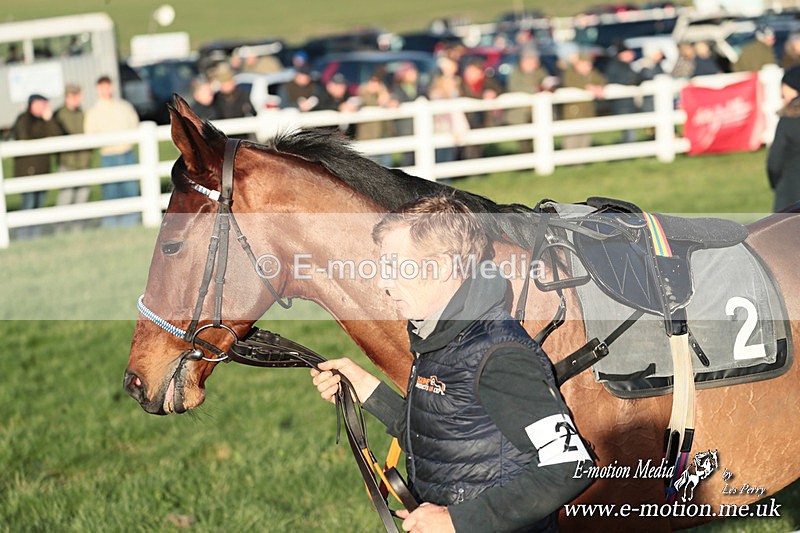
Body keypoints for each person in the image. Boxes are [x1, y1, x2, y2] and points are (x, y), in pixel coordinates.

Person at [310, 195, 594, 533]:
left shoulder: (500, 355)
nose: (383, 284)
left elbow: (572, 465)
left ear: (442, 267)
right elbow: (443, 428)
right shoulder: (440, 334)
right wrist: (365, 388)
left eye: (396, 267)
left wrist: (456, 521)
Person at [84, 75, 141, 227]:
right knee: (111, 191)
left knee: (130, 188)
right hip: (109, 155)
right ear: (98, 89)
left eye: (107, 86)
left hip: (126, 152)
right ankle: (111, 224)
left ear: (112, 87)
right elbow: (90, 134)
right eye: (102, 87)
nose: (105, 90)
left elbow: (134, 125)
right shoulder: (94, 112)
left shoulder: (124, 107)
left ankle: (132, 221)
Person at [10, 93, 63, 237]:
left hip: (43, 169)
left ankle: (36, 236)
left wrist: (49, 119)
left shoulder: (46, 120)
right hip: (27, 171)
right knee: (29, 203)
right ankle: (23, 235)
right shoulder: (24, 119)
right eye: (41, 103)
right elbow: (24, 137)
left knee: (39, 204)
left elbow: (58, 136)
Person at [54, 84, 93, 231]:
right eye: (76, 96)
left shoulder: (81, 113)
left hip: (82, 161)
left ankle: (78, 229)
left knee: (82, 195)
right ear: (69, 96)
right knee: (66, 196)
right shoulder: (59, 115)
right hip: (67, 162)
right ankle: (60, 228)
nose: (79, 99)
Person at [767, 65, 800, 212]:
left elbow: (774, 163)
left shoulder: (788, 121)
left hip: (790, 197)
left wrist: (777, 184)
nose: (782, 93)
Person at [505, 46, 550, 153]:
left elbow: (546, 82)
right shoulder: (515, 73)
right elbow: (516, 88)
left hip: (536, 112)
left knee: (538, 140)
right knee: (524, 140)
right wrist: (537, 89)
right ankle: (526, 164)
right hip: (520, 113)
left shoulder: (541, 71)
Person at [560, 52, 605, 150]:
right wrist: (588, 87)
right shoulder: (570, 73)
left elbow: (601, 81)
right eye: (584, 63)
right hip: (573, 111)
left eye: (589, 64)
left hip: (587, 110)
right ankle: (569, 158)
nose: (587, 66)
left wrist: (599, 87)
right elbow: (570, 82)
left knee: (585, 136)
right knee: (572, 136)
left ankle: (581, 161)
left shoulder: (593, 74)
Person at [459, 60, 503, 159]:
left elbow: (498, 90)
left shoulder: (486, 83)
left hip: (480, 118)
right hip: (467, 118)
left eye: (473, 72)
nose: (469, 75)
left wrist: (492, 93)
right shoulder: (461, 84)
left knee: (477, 142)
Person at [428, 56, 465, 164]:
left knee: (450, 153)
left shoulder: (456, 82)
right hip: (443, 124)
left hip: (454, 121)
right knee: (441, 153)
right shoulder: (438, 85)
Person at [356, 69, 395, 166]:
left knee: (386, 163)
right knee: (371, 164)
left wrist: (383, 94)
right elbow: (364, 102)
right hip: (369, 135)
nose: (375, 85)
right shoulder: (363, 92)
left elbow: (391, 101)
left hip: (383, 133)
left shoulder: (383, 93)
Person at [603, 43, 640, 143]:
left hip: (627, 102)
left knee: (630, 127)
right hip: (621, 103)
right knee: (628, 129)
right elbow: (613, 82)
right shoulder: (616, 66)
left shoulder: (627, 65)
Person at [390, 62, 421, 166]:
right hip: (405, 128)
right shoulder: (398, 89)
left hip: (418, 127)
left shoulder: (419, 88)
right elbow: (393, 99)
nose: (415, 74)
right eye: (411, 72)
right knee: (408, 157)